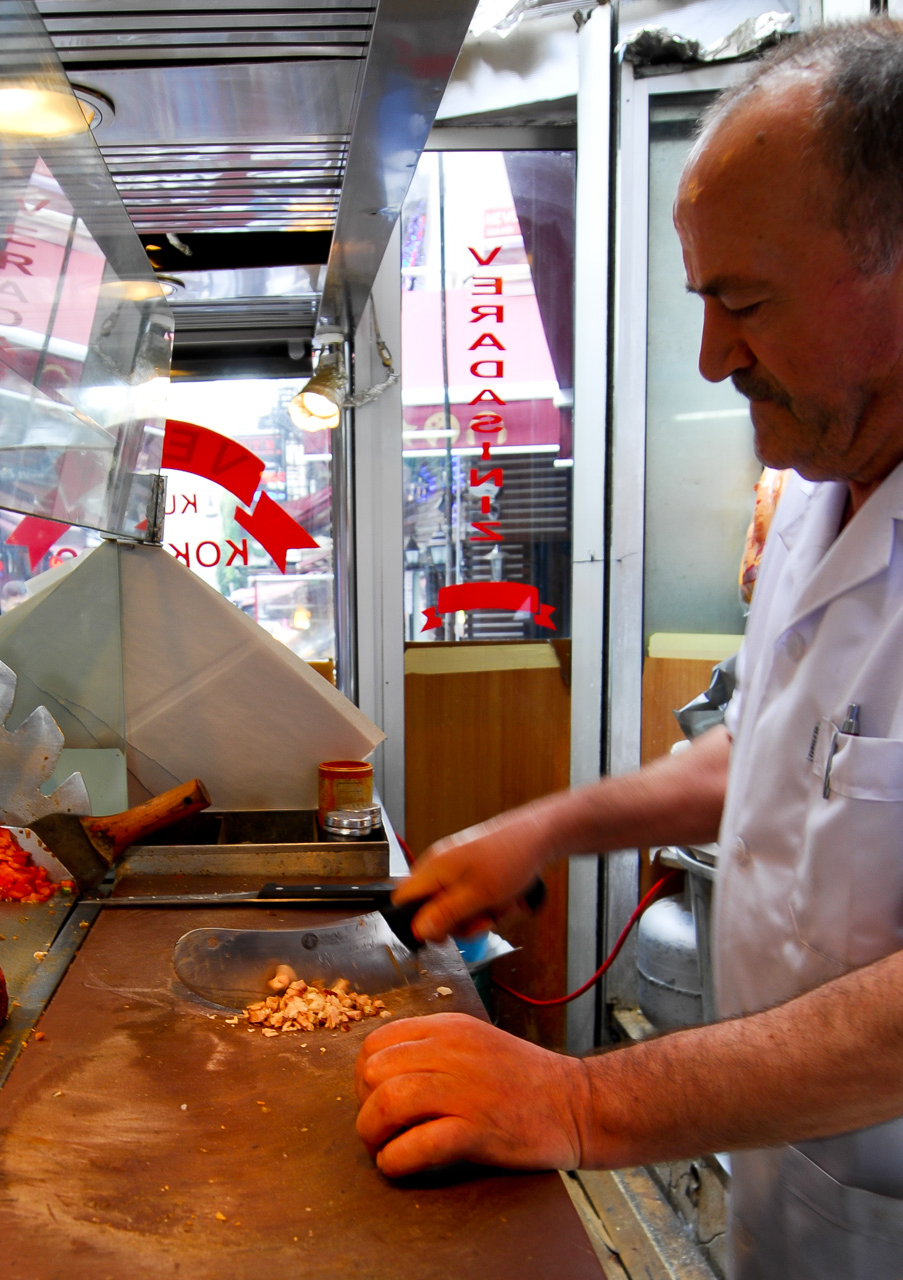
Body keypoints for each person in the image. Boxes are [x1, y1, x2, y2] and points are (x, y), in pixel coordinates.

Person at [354, 21, 903, 1279]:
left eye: (744, 302)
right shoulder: (821, 483)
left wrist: (579, 1102)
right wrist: (545, 826)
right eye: (701, 302)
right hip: (799, 1187)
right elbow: (768, 755)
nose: (712, 357)